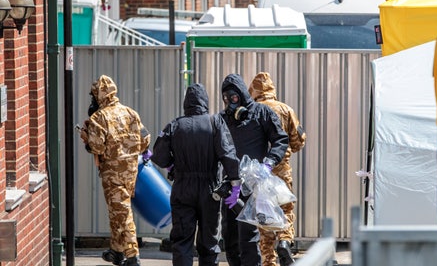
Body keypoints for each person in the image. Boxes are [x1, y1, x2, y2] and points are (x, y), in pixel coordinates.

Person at [150, 83, 242, 266]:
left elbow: (158, 156)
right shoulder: (215, 122)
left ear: (186, 103)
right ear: (205, 102)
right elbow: (228, 155)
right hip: (210, 190)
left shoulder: (175, 125)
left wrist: (172, 166)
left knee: (182, 241)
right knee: (209, 243)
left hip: (182, 188)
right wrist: (235, 184)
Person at [79, 75, 151, 266]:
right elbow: (145, 140)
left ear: (99, 96)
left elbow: (97, 148)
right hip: (131, 173)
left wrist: (87, 138)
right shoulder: (130, 113)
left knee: (122, 213)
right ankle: (117, 251)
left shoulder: (99, 118)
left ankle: (132, 255)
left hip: (112, 174)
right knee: (117, 211)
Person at [219, 73, 289, 266]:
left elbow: (280, 139)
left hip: (254, 183)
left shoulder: (262, 112)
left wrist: (268, 163)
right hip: (231, 185)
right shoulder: (223, 118)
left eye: (233, 97)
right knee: (229, 235)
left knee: (248, 236)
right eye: (226, 98)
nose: (230, 102)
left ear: (242, 94)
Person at [249, 72, 306, 266]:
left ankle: (269, 262)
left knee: (264, 218)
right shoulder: (286, 109)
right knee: (286, 209)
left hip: (259, 174)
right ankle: (284, 240)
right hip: (282, 171)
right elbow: (298, 141)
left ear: (254, 91)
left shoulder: (251, 110)